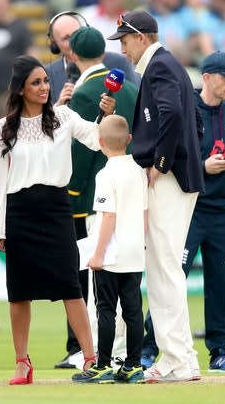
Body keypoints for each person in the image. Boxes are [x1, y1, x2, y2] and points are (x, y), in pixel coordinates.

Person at [0, 55, 114, 384]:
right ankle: (21, 363)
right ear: (21, 89)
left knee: (71, 288)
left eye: (45, 81)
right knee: (19, 293)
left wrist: (108, 115)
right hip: (19, 213)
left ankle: (90, 359)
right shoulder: (4, 128)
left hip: (57, 210)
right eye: (36, 83)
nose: (44, 87)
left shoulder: (64, 116)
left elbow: (98, 139)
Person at [141, 51, 225, 373]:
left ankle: (221, 351)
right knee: (171, 280)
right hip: (190, 209)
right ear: (206, 77)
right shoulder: (188, 108)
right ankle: (150, 347)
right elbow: (175, 153)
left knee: (221, 284)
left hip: (224, 211)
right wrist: (202, 167)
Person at [107, 9, 204, 382]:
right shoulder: (170, 65)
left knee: (163, 271)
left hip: (168, 180)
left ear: (142, 37)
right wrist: (183, 157)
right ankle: (187, 358)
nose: (124, 49)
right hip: (179, 178)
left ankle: (175, 360)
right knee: (168, 270)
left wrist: (162, 163)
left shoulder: (160, 66)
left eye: (126, 40)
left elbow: (175, 113)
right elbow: (192, 119)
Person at [44, 10, 136, 370]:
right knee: (126, 275)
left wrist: (73, 195)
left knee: (100, 280)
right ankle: (126, 350)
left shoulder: (83, 92)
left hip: (97, 197)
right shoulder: (128, 86)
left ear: (72, 55)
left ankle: (100, 350)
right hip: (131, 188)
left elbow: (80, 153)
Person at [71, 114, 148, 384]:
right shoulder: (139, 171)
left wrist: (98, 254)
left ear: (100, 142)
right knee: (133, 310)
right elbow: (145, 213)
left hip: (111, 256)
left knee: (106, 309)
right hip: (134, 253)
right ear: (129, 139)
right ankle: (134, 365)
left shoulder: (105, 174)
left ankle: (103, 365)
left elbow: (108, 217)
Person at [45, 11, 137, 110]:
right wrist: (58, 106)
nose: (74, 41)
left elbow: (133, 103)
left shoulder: (118, 62)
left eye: (77, 34)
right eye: (66, 38)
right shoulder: (47, 73)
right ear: (53, 44)